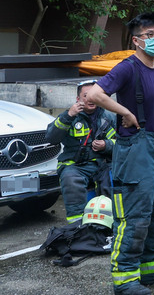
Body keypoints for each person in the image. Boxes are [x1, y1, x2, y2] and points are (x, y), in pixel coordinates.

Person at [87, 13, 154, 295]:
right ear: (136, 40)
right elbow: (94, 94)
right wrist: (126, 112)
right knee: (135, 215)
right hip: (135, 149)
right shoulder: (127, 68)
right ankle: (125, 279)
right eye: (150, 35)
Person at [45, 80, 116, 223]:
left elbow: (122, 144)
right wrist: (68, 116)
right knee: (71, 180)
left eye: (94, 95)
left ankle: (109, 224)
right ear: (78, 99)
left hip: (101, 164)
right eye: (86, 95)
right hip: (75, 165)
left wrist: (106, 145)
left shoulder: (108, 117)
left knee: (113, 179)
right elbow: (51, 137)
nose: (90, 99)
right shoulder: (70, 116)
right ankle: (77, 228)